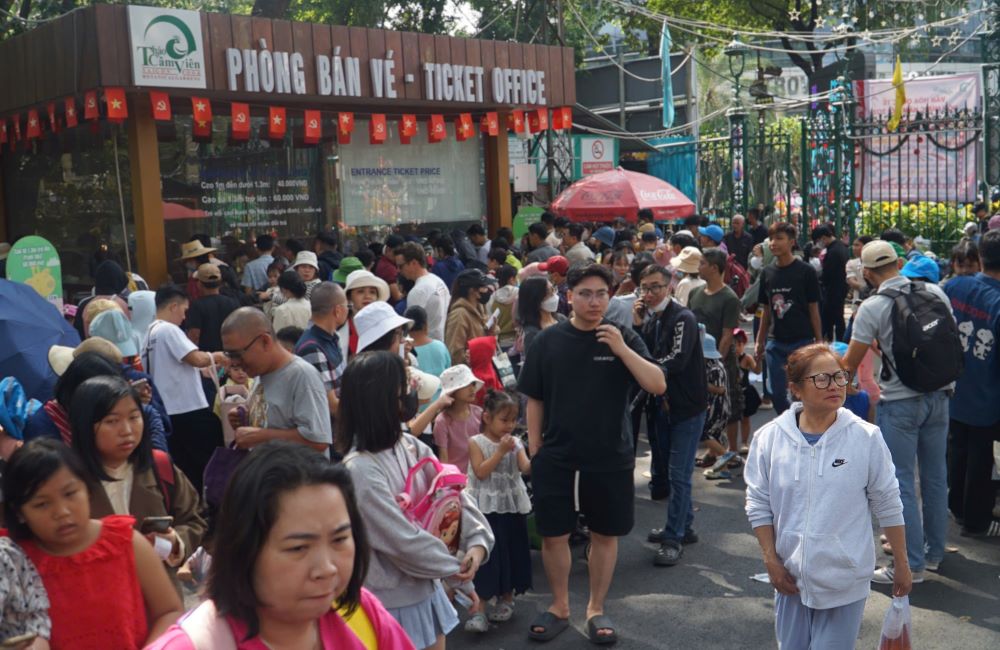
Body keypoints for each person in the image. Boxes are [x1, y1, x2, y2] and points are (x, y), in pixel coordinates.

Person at [518, 264, 666, 644]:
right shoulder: (547, 341)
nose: (594, 301)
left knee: (604, 534)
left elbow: (657, 384)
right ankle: (559, 606)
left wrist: (620, 349)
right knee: (554, 534)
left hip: (610, 454)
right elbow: (534, 398)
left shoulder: (622, 336)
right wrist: (535, 449)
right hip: (557, 455)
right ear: (569, 296)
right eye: (585, 293)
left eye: (601, 293)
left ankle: (596, 609)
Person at [147, 441, 415, 649]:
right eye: (298, 548)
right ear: (244, 549)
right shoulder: (193, 645)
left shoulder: (360, 614)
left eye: (339, 539)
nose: (326, 569)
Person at [745, 343, 910, 649]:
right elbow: (758, 503)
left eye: (839, 376)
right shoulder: (769, 438)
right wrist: (771, 559)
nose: (834, 385)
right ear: (796, 389)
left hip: (845, 583)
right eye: (821, 379)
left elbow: (888, 502)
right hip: (789, 580)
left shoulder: (865, 437)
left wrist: (901, 562)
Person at [338, 351, 494, 650]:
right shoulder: (360, 470)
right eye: (404, 388)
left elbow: (454, 494)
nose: (412, 394)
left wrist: (476, 544)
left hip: (426, 588)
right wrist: (457, 571)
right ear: (382, 400)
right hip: (391, 604)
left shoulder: (409, 445)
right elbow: (401, 540)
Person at [842, 240, 955, 582]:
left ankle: (911, 565)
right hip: (940, 396)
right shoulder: (936, 293)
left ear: (867, 273)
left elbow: (850, 362)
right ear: (899, 263)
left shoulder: (873, 307)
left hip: (900, 403)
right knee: (935, 477)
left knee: (901, 482)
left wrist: (844, 386)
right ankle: (934, 553)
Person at [2, 439, 183, 648]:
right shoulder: (12, 563)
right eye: (42, 504)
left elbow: (169, 612)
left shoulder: (127, 543)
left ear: (87, 489)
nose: (62, 512)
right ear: (19, 513)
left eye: (70, 494)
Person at [69, 376, 205, 594]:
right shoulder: (67, 480)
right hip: (99, 597)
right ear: (85, 425)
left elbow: (195, 518)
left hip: (159, 597)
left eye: (134, 417)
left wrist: (176, 541)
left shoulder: (158, 466)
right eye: (112, 421)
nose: (127, 430)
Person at [632, 265, 707, 545]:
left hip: (687, 406)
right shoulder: (653, 318)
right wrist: (637, 324)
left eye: (656, 287)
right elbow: (643, 352)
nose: (649, 293)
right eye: (645, 288)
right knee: (674, 473)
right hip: (664, 406)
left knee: (679, 474)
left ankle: (674, 536)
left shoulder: (682, 317)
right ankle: (683, 527)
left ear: (669, 286)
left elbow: (677, 359)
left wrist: (647, 371)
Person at [142, 285, 227, 495]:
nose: (184, 317)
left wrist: (202, 370)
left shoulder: (149, 333)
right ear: (173, 306)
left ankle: (192, 502)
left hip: (167, 408)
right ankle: (211, 500)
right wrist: (219, 356)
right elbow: (196, 358)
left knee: (183, 464)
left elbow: (176, 366)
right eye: (184, 310)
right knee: (206, 458)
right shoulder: (169, 329)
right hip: (186, 407)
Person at [942, 229, 1000, 537]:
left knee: (957, 450)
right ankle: (976, 521)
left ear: (979, 257)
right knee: (982, 459)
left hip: (953, 388)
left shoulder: (954, 286)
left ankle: (958, 507)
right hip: (988, 395)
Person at [220, 307, 332, 455]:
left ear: (265, 341)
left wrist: (261, 436)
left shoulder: (302, 375)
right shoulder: (260, 373)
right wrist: (245, 416)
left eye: (237, 354)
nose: (234, 362)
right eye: (229, 355)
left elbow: (318, 442)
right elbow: (272, 418)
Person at [467, 389, 532, 629]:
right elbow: (481, 472)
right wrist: (501, 452)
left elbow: (525, 467)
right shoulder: (476, 442)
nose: (510, 426)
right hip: (485, 507)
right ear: (487, 417)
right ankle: (479, 610)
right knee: (487, 555)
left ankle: (507, 599)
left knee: (511, 550)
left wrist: (538, 455)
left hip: (511, 505)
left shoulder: (516, 442)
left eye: (513, 420)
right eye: (504, 420)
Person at [753, 222, 822, 414]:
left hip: (802, 341)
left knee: (801, 392)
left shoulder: (806, 271)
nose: (773, 243)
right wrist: (759, 341)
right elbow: (766, 310)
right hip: (775, 343)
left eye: (779, 238)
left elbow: (813, 308)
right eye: (771, 239)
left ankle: (802, 425)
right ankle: (788, 423)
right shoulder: (767, 273)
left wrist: (819, 341)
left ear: (792, 242)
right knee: (777, 393)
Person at [688, 247, 744, 468]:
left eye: (702, 263)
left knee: (729, 406)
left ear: (713, 268)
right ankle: (714, 451)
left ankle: (733, 452)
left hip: (721, 362)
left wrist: (716, 363)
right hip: (697, 359)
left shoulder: (729, 298)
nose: (698, 267)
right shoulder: (695, 293)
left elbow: (727, 335)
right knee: (708, 407)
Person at [295, 282, 350, 418]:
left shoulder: (332, 336)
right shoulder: (312, 348)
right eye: (347, 306)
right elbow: (331, 406)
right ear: (338, 311)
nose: (348, 310)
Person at [433, 364, 484, 473]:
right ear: (453, 391)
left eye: (473, 384)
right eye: (466, 385)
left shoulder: (479, 413)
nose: (472, 389)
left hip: (481, 473)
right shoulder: (442, 422)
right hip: (457, 477)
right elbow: (443, 457)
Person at [397, 242, 451, 342]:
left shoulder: (418, 291)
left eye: (401, 266)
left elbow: (411, 329)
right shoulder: (438, 281)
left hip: (426, 345)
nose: (398, 270)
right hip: (442, 343)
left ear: (413, 263)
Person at [699, 330, 732, 481]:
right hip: (714, 406)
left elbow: (720, 389)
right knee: (716, 436)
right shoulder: (708, 365)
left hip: (718, 407)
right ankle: (723, 469)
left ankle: (726, 455)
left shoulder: (715, 368)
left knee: (705, 433)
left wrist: (703, 384)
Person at [185, 263, 240, 354]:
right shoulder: (233, 303)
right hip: (229, 355)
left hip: (207, 357)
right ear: (220, 282)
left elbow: (194, 335)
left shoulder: (196, 306)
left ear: (199, 284)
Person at [444, 269, 495, 366]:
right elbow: (455, 353)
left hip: (483, 367)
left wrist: (491, 330)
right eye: (484, 287)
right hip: (470, 372)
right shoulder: (459, 315)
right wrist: (471, 360)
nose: (487, 291)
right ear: (472, 290)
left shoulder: (480, 308)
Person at [812, 225, 849, 342]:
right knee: (838, 318)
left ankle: (831, 342)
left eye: (818, 241)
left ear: (823, 238)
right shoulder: (841, 247)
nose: (818, 244)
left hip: (833, 290)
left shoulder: (833, 251)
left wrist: (819, 280)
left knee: (829, 319)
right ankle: (839, 342)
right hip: (840, 288)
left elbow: (828, 274)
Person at [344, 270, 391, 357]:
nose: (367, 296)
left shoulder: (386, 324)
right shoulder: (340, 326)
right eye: (360, 291)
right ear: (349, 297)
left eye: (372, 292)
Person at [514, 276, 563, 361]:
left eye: (553, 289)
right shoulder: (531, 333)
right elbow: (536, 362)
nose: (554, 295)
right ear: (535, 298)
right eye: (548, 292)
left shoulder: (561, 319)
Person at [405, 306, 451, 386]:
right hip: (442, 393)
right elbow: (449, 374)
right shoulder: (441, 347)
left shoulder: (405, 352)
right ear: (425, 325)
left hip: (418, 394)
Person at [486, 265, 519, 351]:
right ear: (511, 279)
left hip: (499, 343)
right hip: (516, 341)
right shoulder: (519, 294)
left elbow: (489, 322)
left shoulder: (492, 298)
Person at [375, 234, 405, 304]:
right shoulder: (388, 268)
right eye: (397, 252)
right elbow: (397, 297)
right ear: (388, 250)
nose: (399, 255)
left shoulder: (386, 262)